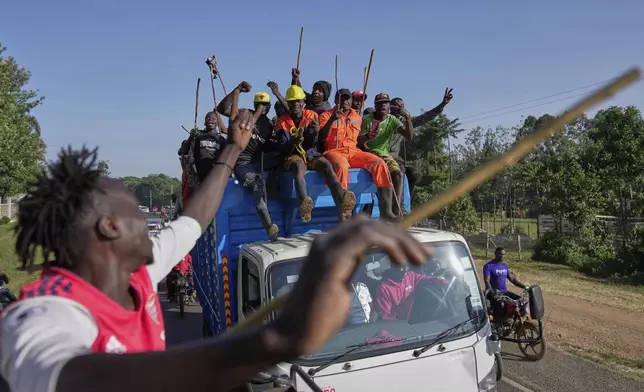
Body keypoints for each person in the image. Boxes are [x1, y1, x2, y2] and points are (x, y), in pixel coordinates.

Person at [1, 107, 434, 392]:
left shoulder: (138, 270)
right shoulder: (39, 316)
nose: (155, 221)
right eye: (135, 208)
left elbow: (193, 220)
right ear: (109, 227)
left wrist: (231, 151)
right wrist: (277, 340)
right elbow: (76, 380)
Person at [275, 85, 356, 222]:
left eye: (298, 101)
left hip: (310, 152)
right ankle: (304, 205)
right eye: (292, 102)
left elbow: (314, 143)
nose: (295, 104)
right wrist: (294, 141)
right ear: (288, 103)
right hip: (292, 153)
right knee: (299, 167)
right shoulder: (281, 121)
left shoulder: (311, 116)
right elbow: (283, 148)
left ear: (303, 102)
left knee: (327, 166)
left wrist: (315, 133)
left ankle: (342, 201)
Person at [217, 81, 283, 241]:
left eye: (265, 104)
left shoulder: (268, 126)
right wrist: (237, 90)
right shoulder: (245, 114)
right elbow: (222, 109)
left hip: (257, 161)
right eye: (259, 104)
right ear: (254, 104)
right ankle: (269, 226)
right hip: (242, 163)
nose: (263, 107)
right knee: (257, 187)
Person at [319, 89, 398, 221]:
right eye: (342, 99)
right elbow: (321, 138)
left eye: (347, 99)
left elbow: (358, 141)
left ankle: (386, 211)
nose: (345, 101)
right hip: (334, 151)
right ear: (335, 101)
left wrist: (367, 136)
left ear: (351, 101)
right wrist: (333, 119)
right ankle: (345, 214)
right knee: (341, 166)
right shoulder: (326, 115)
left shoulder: (357, 116)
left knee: (379, 163)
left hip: (354, 151)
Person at [388, 88, 454, 206]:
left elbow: (425, 117)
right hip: (384, 154)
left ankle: (403, 205)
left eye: (402, 106)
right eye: (397, 106)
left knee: (413, 175)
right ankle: (397, 207)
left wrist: (442, 104)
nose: (400, 108)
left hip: (396, 157)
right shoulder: (385, 119)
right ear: (390, 107)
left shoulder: (406, 121)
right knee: (400, 170)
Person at [358, 93, 414, 218]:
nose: (383, 105)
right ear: (375, 105)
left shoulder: (392, 120)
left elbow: (409, 136)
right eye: (380, 103)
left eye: (385, 102)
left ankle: (397, 210)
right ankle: (379, 212)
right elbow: (358, 142)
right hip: (367, 153)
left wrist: (408, 118)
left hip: (384, 155)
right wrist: (368, 137)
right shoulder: (366, 120)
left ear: (389, 106)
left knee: (398, 174)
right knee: (380, 171)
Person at [375, 266, 446, 321]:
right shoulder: (383, 288)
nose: (405, 271)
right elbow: (386, 316)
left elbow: (428, 279)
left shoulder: (410, 276)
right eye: (401, 268)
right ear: (392, 267)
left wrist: (444, 280)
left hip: (414, 321)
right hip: (397, 326)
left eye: (406, 267)